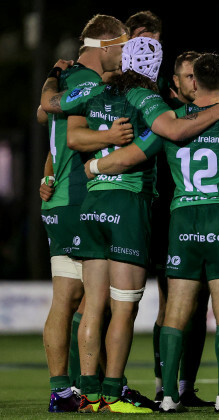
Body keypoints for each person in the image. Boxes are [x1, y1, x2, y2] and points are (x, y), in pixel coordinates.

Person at [44, 36, 219, 413]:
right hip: (127, 205)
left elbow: (60, 124)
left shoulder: (91, 91)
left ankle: (87, 394)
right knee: (122, 309)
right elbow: (175, 131)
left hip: (91, 203)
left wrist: (91, 161)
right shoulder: (146, 99)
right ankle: (114, 393)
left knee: (92, 306)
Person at [38, 14, 132, 413]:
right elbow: (50, 110)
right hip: (80, 196)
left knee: (72, 296)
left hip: (62, 196)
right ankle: (89, 388)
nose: (125, 56)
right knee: (87, 297)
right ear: (106, 45)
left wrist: (52, 76)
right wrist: (111, 137)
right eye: (123, 47)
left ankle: (69, 388)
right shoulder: (88, 83)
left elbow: (46, 117)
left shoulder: (73, 78)